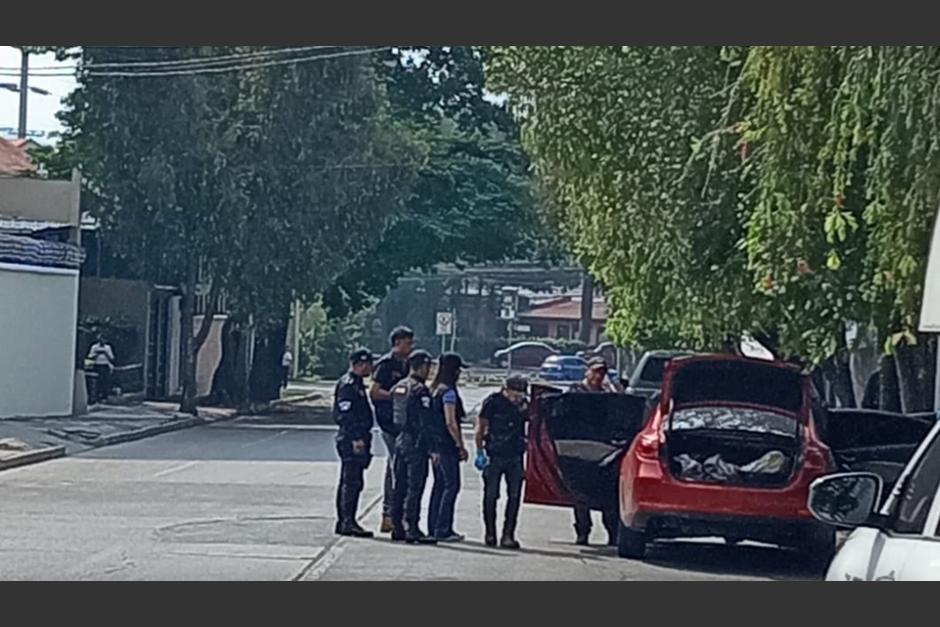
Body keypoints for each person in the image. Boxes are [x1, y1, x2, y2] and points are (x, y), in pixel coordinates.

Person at [568, 357, 622, 546]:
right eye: (596, 371)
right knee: (580, 497)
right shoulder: (575, 391)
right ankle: (583, 533)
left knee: (608, 496)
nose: (599, 376)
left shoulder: (607, 394)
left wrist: (616, 390)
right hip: (579, 450)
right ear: (587, 371)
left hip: (604, 451)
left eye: (602, 372)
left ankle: (612, 534)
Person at [370, 326, 415, 534]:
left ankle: (394, 514)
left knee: (398, 466)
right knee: (396, 465)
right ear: (397, 343)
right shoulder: (386, 364)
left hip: (404, 423)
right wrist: (396, 395)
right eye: (407, 343)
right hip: (388, 422)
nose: (410, 347)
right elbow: (375, 392)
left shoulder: (408, 365)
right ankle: (391, 514)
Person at [476, 375, 529, 549]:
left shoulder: (525, 406)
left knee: (514, 497)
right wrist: (480, 451)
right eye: (514, 394)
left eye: (520, 394)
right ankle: (490, 533)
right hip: (494, 453)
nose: (517, 398)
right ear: (505, 390)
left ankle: (508, 535)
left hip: (515, 455)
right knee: (491, 495)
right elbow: (481, 427)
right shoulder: (493, 402)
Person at [389, 350, 437, 545]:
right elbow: (425, 422)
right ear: (422, 367)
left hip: (400, 440)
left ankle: (397, 526)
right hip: (416, 443)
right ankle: (412, 527)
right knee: (414, 486)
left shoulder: (399, 386)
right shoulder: (420, 390)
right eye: (428, 367)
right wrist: (432, 447)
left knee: (398, 485)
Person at [332, 349, 376, 538]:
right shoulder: (348, 385)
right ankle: (346, 521)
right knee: (351, 482)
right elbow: (345, 415)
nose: (370, 368)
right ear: (358, 364)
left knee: (353, 481)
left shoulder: (357, 384)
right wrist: (357, 438)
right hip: (351, 439)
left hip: (357, 437)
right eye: (367, 364)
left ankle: (347, 519)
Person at [428, 353, 469, 542]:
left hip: (435, 445)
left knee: (439, 486)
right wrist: (460, 445)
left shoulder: (433, 390)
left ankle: (433, 526)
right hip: (446, 445)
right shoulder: (449, 393)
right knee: (451, 485)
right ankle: (443, 529)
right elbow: (451, 422)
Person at [87, 335, 115, 404]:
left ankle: (104, 396)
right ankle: (96, 396)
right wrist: (97, 353)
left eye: (104, 339)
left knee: (105, 381)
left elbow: (112, 358)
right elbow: (90, 356)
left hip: (105, 365)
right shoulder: (94, 347)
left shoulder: (108, 347)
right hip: (97, 365)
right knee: (97, 381)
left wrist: (105, 353)